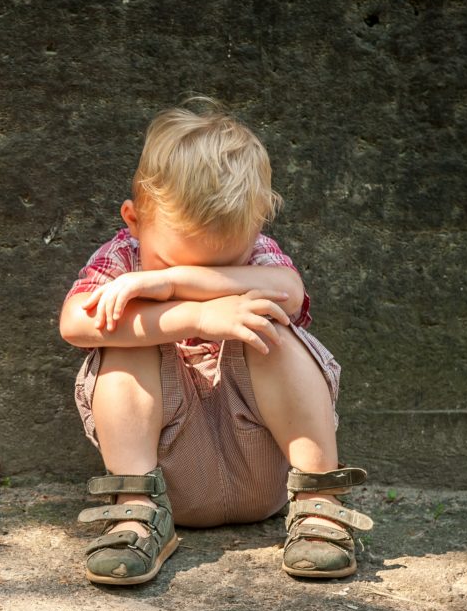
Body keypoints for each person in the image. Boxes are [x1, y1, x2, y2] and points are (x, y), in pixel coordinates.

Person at [58, 98, 372, 585]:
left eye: (222, 266)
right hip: (165, 473)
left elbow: (290, 293)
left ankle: (318, 505)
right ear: (134, 220)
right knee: (122, 338)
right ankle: (136, 515)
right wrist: (196, 313)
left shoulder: (261, 256)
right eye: (171, 264)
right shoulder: (125, 256)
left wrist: (171, 280)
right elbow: (76, 322)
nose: (192, 278)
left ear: (255, 231)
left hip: (264, 467)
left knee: (267, 323)